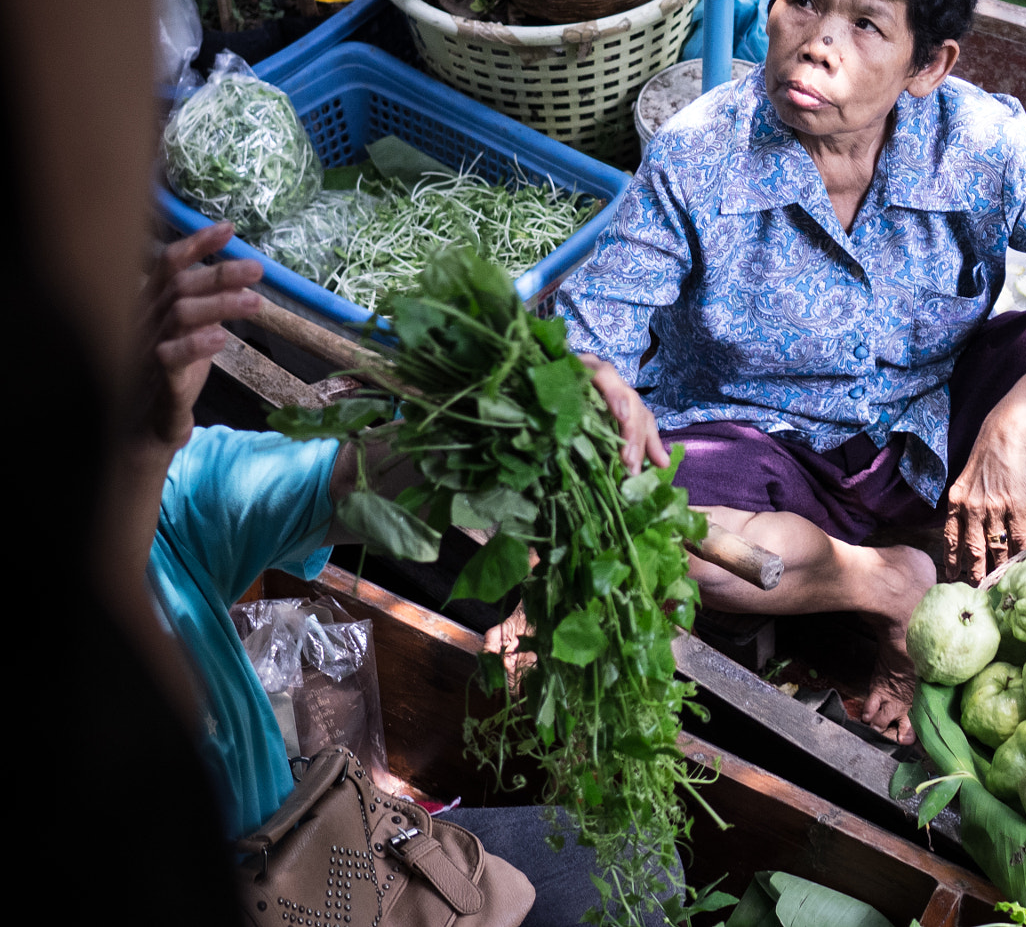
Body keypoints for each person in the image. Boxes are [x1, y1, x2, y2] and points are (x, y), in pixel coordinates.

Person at [558, 0, 1026, 742]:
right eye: (805, 1)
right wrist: (602, 388)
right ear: (771, 3)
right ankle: (886, 586)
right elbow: (588, 340)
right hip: (762, 452)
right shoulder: (695, 156)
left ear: (929, 64)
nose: (817, 43)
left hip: (926, 440)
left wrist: (1009, 427)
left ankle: (1002, 608)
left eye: (864, 25)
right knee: (644, 521)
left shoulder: (975, 142)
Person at [136, 222, 670, 926]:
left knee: (639, 861)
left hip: (314, 847)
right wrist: (138, 451)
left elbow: (357, 476)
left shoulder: (166, 485)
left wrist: (518, 417)